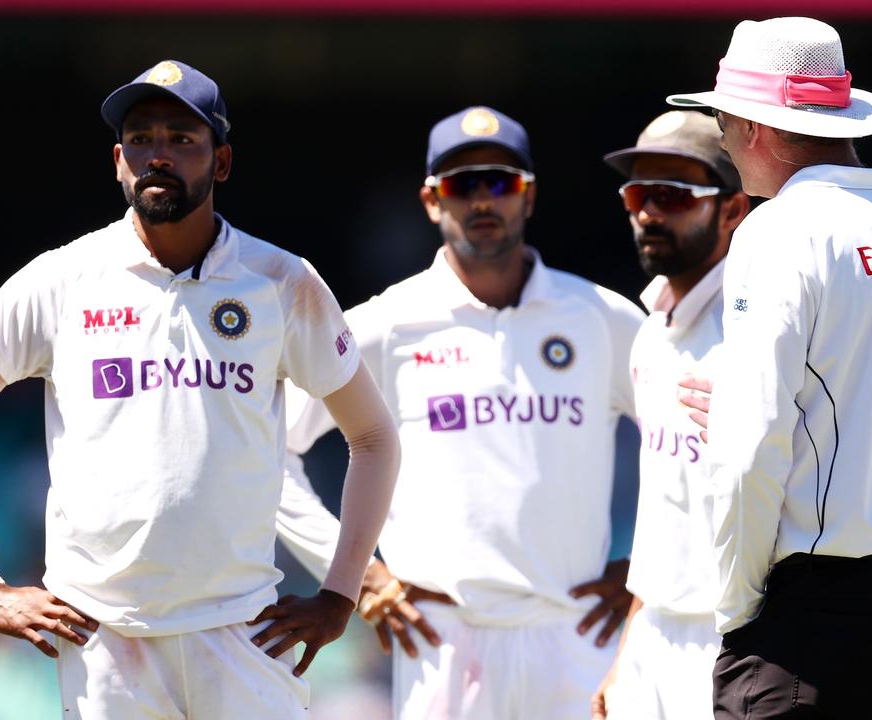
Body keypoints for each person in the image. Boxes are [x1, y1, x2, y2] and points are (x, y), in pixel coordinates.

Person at [0, 59, 399, 718]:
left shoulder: (281, 282)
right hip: (104, 638)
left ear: (221, 162)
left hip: (245, 630)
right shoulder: (58, 282)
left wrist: (340, 593)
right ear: (118, 160)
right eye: (141, 139)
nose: (158, 155)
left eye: (182, 139)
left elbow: (373, 437)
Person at [667, 17, 872, 717]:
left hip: (826, 623)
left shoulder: (776, 231)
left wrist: (738, 606)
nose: (725, 143)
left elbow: (752, 448)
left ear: (756, 127)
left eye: (725, 124)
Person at [275, 105, 646, 719]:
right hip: (442, 638)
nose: (481, 200)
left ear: (528, 197)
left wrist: (646, 568)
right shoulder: (386, 324)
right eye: (461, 184)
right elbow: (268, 447)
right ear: (430, 199)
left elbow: (696, 444)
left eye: (499, 182)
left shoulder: (601, 318)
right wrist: (357, 575)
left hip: (578, 634)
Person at [590, 110, 751, 720]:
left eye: (674, 195)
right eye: (638, 194)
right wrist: (629, 649)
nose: (649, 212)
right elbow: (662, 514)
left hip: (729, 640)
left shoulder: (753, 329)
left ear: (733, 209)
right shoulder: (650, 330)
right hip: (651, 637)